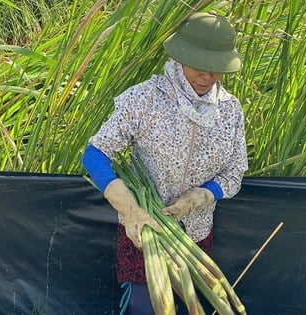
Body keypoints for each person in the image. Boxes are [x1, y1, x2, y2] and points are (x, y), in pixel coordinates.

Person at [82, 11, 248, 315]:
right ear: (181, 55)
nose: (207, 76)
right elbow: (95, 154)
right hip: (145, 230)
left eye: (216, 69)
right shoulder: (144, 98)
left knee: (189, 304)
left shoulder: (230, 111)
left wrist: (201, 196)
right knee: (145, 306)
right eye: (199, 65)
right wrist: (131, 210)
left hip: (195, 234)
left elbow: (235, 171)